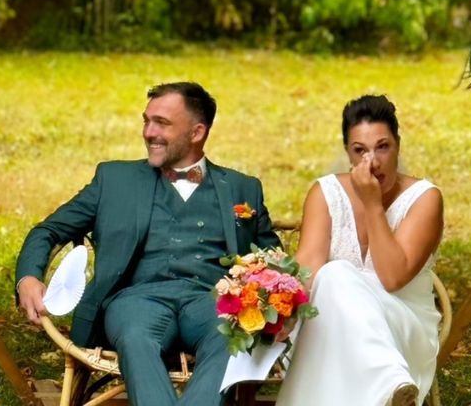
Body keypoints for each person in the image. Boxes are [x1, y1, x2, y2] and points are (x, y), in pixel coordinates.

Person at [15, 82, 281, 406]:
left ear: (197, 132)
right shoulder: (114, 180)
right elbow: (48, 230)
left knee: (230, 337)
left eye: (162, 123)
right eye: (146, 120)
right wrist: (28, 277)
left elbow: (272, 259)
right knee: (137, 337)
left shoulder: (243, 188)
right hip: (136, 300)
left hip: (212, 300)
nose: (149, 132)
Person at [276, 94, 444, 406]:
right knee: (332, 278)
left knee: (337, 273)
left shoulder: (425, 198)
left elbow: (393, 278)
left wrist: (372, 204)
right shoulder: (325, 192)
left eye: (383, 146)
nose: (374, 162)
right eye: (360, 150)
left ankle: (390, 378)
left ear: (398, 144)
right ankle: (389, 388)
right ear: (348, 154)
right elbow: (308, 268)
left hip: (402, 325)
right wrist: (276, 305)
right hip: (332, 328)